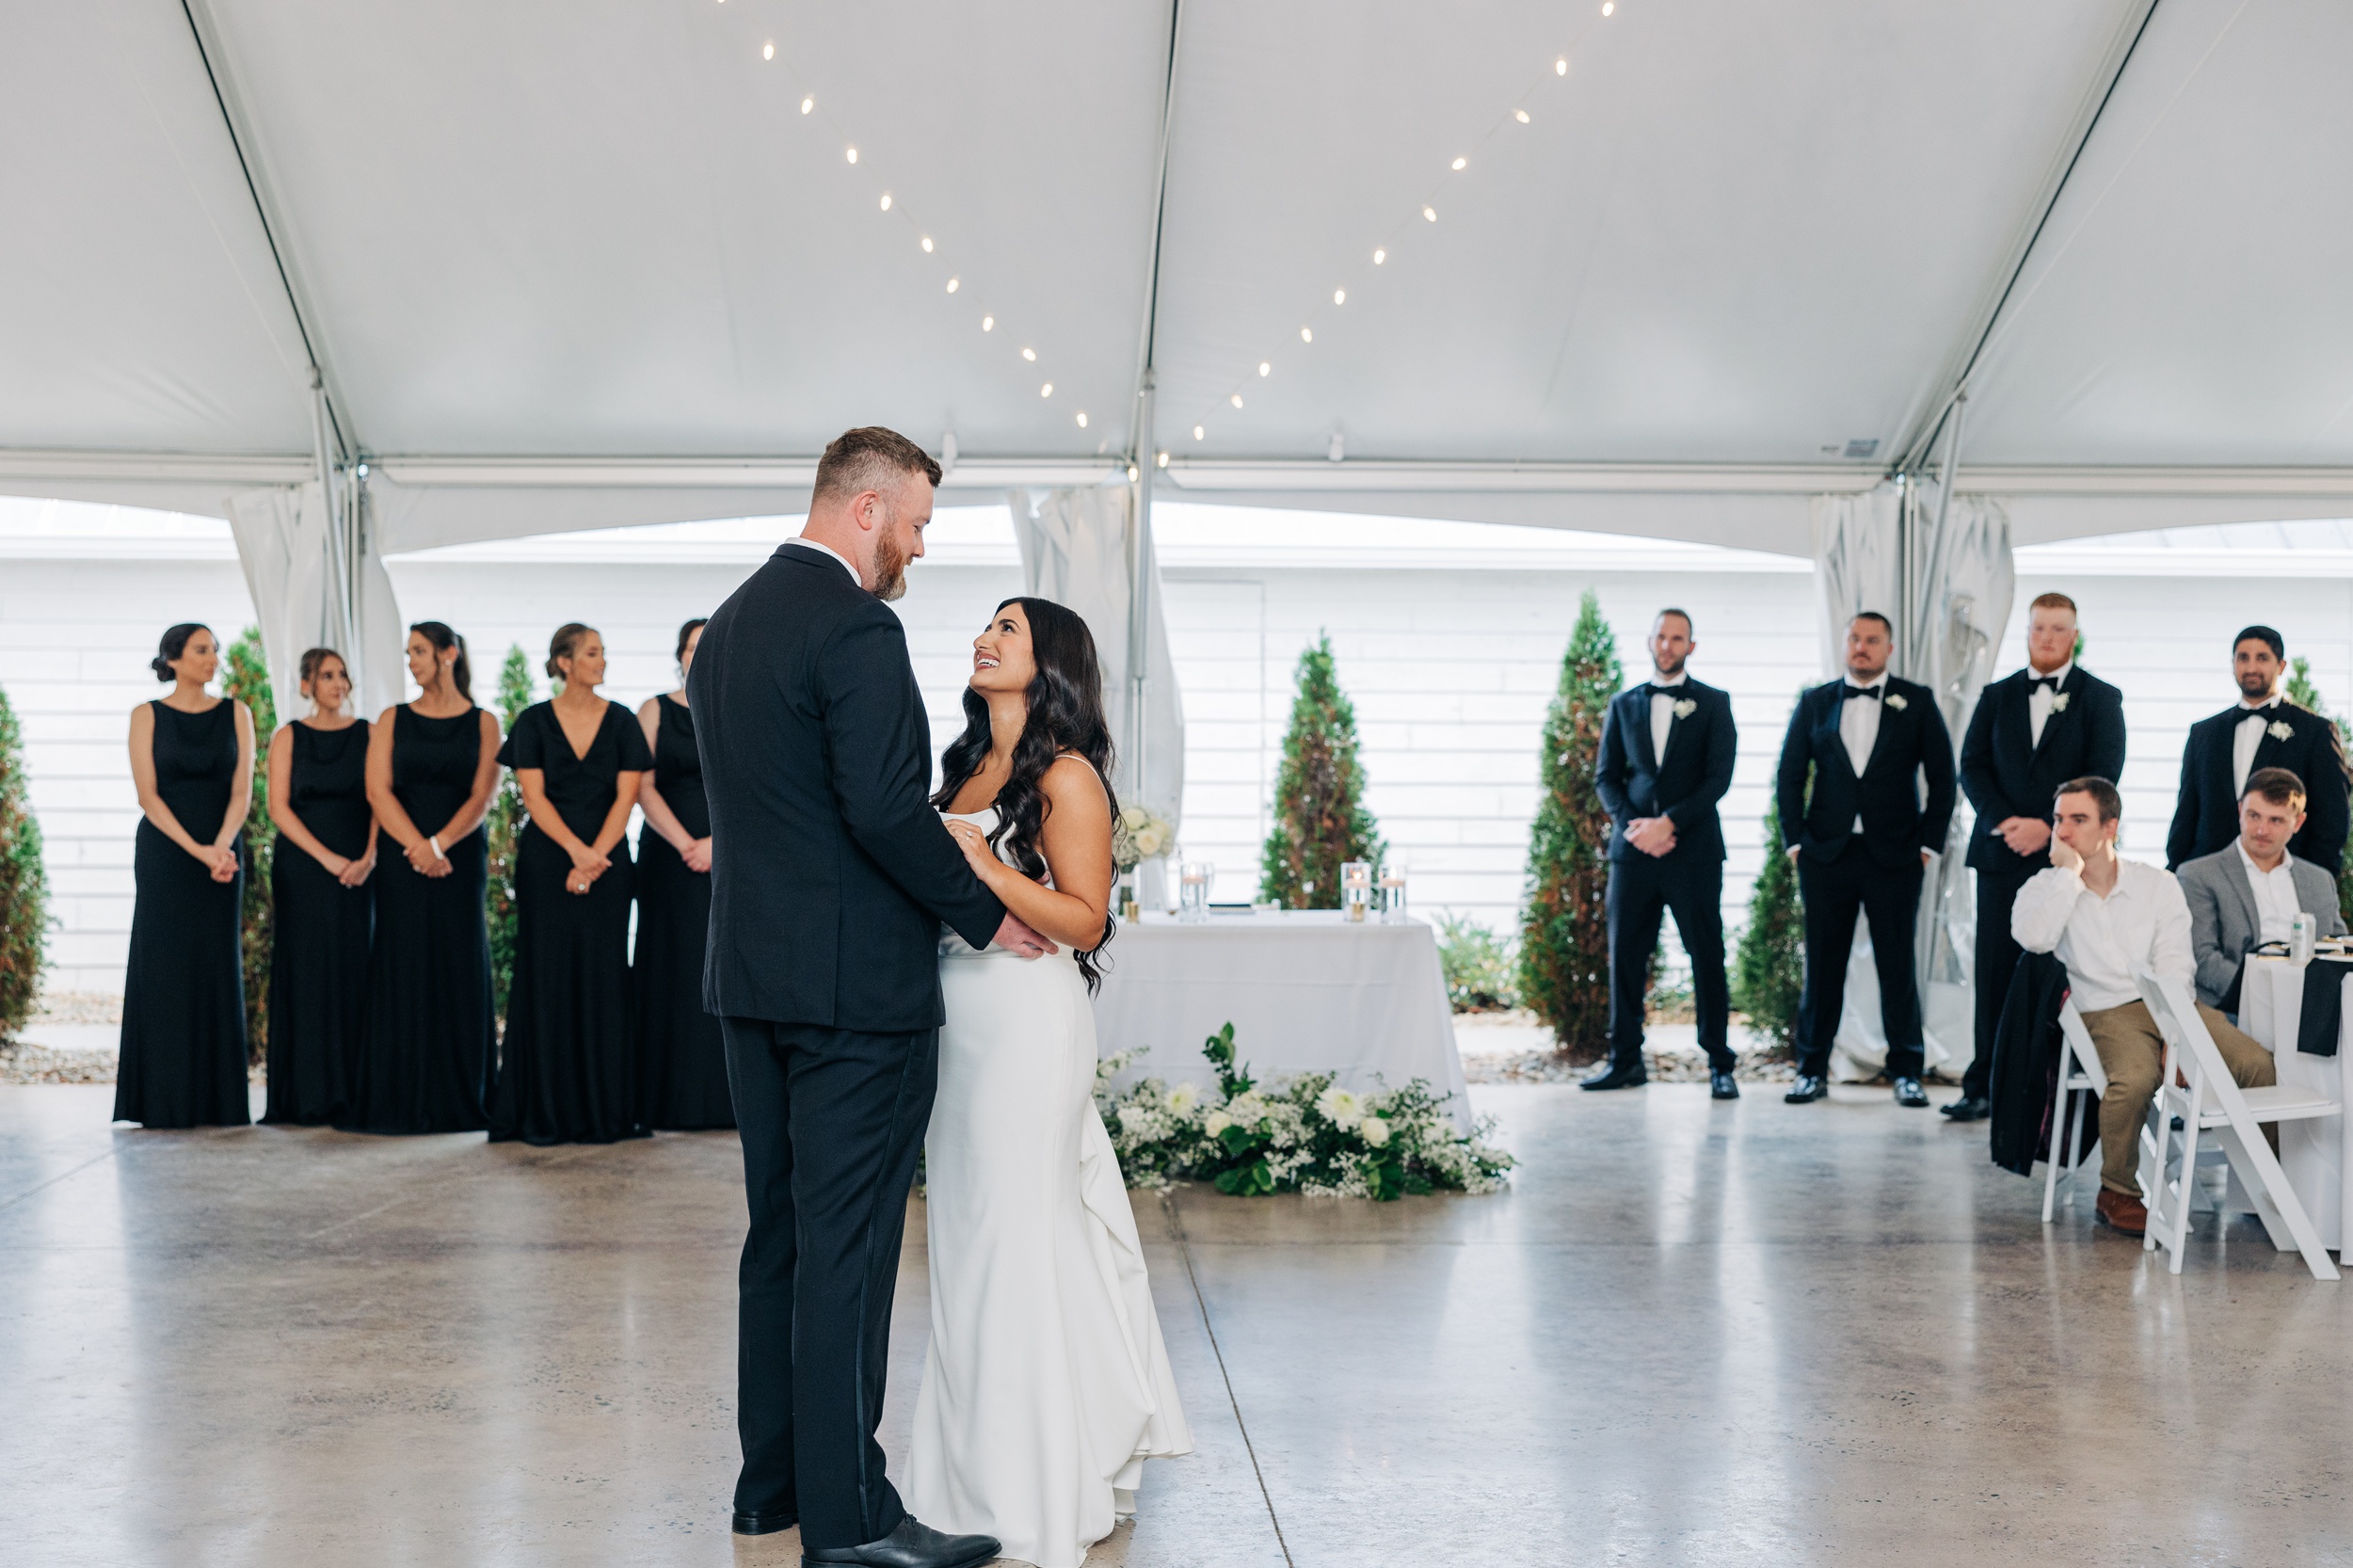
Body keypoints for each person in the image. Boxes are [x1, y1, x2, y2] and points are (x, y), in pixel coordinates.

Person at [689, 426, 1052, 1568]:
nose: (920, 547)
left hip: (752, 981)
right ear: (865, 507)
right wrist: (991, 914)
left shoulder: (731, 626)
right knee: (846, 1253)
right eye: (918, 521)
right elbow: (885, 810)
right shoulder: (855, 624)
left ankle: (771, 1491)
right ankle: (850, 1527)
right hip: (854, 996)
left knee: (781, 1242)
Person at [909, 597, 1193, 1568]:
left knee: (1016, 1240)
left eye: (1009, 630)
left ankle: (1029, 1489)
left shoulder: (1067, 777)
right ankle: (965, 1475)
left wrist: (983, 864)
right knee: (966, 1242)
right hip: (953, 1022)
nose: (984, 637)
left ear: (1051, 663)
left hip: (1028, 1019)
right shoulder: (960, 767)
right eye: (986, 624)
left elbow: (1084, 921)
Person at [2011, 776, 2277, 1237]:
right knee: (2135, 1079)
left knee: (2256, 1063)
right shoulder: (2043, 888)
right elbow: (2034, 938)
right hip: (2104, 1012)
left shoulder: (2158, 884)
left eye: (2078, 820)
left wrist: (2174, 1034)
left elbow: (2175, 964)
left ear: (2110, 826)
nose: (2064, 831)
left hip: (2170, 1002)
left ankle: (2270, 1184)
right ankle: (2116, 1190)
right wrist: (2069, 878)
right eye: (2058, 820)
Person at [1945, 592, 2125, 1122]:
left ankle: (2057, 1090)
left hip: (2070, 860)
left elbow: (2103, 774)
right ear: (2027, 633)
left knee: (2066, 971)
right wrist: (2007, 823)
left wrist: (2052, 828)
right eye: (2039, 628)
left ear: (2074, 635)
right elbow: (1971, 765)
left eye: (2057, 629)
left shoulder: (2101, 698)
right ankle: (1986, 1085)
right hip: (2003, 854)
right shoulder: (1996, 695)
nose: (2047, 637)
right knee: (1996, 971)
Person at [1774, 611, 1957, 1107]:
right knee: (1823, 967)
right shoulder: (1815, 702)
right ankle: (1811, 1069)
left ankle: (1907, 1071)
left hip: (1895, 856)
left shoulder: (1916, 702)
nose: (1861, 648)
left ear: (1889, 649)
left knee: (1897, 966)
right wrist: (1796, 842)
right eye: (1854, 638)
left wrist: (1927, 845)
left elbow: (1944, 777)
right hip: (1826, 856)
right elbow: (1789, 774)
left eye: (1872, 640)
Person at [489, 623, 652, 1146]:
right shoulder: (534, 722)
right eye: (592, 653)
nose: (602, 661)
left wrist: (595, 856)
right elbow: (533, 799)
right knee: (547, 976)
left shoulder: (623, 721)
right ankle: (545, 1110)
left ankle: (605, 1109)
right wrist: (578, 854)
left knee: (605, 978)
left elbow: (626, 797)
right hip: (548, 864)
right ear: (564, 662)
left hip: (607, 866)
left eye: (602, 652)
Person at [343, 622, 501, 1135]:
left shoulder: (484, 722)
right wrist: (417, 846)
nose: (411, 661)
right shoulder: (392, 718)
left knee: (459, 963)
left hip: (457, 858)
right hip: (404, 859)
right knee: (402, 961)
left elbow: (482, 796)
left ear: (449, 655)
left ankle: (460, 1098)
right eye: (408, 652)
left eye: (419, 651)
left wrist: (439, 846)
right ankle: (398, 1096)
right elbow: (378, 790)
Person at [1585, 608, 1739, 1097]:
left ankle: (1719, 1062)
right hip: (1633, 854)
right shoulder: (1623, 703)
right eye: (1661, 637)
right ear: (1649, 642)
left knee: (1706, 955)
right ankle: (1625, 1060)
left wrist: (1669, 823)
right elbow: (1606, 777)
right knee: (1626, 957)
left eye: (1678, 638)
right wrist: (1638, 828)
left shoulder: (1714, 702)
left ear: (1692, 647)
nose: (1668, 645)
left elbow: (1719, 777)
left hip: (1693, 852)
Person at [116, 623, 255, 1128]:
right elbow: (147, 796)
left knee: (215, 966)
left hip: (223, 854)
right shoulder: (146, 715)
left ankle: (219, 1102)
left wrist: (220, 846)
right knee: (164, 967)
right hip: (168, 853)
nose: (212, 658)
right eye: (202, 650)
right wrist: (199, 850)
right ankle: (160, 1098)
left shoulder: (236, 713)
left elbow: (242, 792)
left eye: (214, 649)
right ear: (172, 659)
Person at [261, 648, 376, 1127]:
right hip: (305, 869)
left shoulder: (369, 735)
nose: (338, 683)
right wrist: (329, 859)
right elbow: (278, 809)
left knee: (355, 971)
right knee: (307, 972)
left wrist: (369, 857)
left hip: (360, 868)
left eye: (343, 674)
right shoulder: (288, 736)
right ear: (307, 684)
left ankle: (355, 1092)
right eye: (327, 675)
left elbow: (379, 800)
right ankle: (305, 1093)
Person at [633, 617, 732, 1129]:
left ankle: (721, 1100)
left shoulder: (741, 707)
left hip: (729, 859)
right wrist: (687, 844)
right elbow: (642, 786)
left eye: (707, 645)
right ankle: (664, 1100)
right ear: (679, 654)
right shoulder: (653, 709)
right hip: (667, 859)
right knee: (668, 968)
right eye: (691, 647)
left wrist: (717, 845)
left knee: (720, 972)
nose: (699, 654)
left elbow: (754, 787)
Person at [2167, 625, 2350, 873]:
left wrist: (2315, 875)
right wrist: (2177, 868)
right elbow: (2187, 810)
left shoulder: (2315, 731)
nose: (2251, 668)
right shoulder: (2204, 733)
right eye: (2243, 658)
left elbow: (2332, 816)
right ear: (2233, 663)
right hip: (2209, 871)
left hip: (2284, 870)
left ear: (2281, 666)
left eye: (2262, 658)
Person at [2178, 767, 2348, 1011]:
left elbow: (2337, 948)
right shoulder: (2199, 875)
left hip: (2312, 1010)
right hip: (2236, 1007)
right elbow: (2203, 959)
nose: (2261, 830)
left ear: (2298, 822)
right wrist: (2269, 995)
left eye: (2275, 820)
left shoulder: (2319, 880)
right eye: (2254, 816)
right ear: (2240, 811)